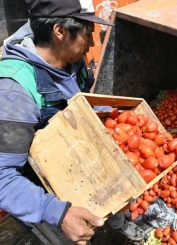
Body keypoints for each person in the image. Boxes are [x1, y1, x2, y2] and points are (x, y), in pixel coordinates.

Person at [0, 0, 143, 243]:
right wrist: (57, 212)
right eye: (88, 33)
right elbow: (3, 177)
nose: (91, 43)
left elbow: (79, 102)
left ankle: (119, 226)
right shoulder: (15, 91)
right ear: (60, 32)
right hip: (44, 188)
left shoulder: (71, 62)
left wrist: (112, 117)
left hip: (77, 158)